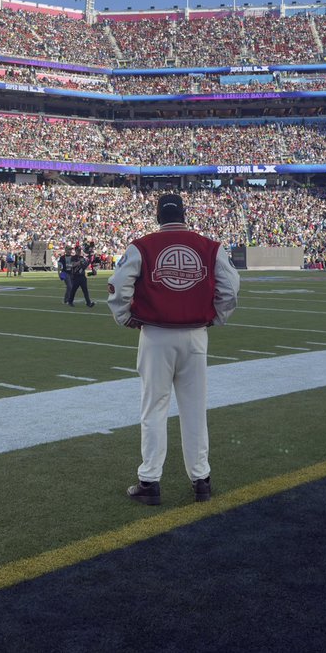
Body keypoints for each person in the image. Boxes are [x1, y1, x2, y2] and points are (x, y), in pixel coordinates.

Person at [107, 191, 240, 505]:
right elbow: (231, 287)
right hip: (195, 335)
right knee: (194, 410)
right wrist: (217, 317)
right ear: (184, 214)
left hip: (156, 335)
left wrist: (125, 316)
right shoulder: (210, 247)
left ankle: (150, 481)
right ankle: (201, 480)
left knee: (154, 408)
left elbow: (117, 283)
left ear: (158, 216)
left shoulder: (141, 246)